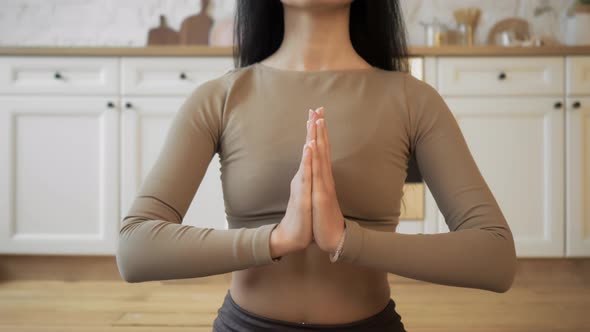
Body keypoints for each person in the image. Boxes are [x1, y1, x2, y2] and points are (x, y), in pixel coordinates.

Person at [115, 0, 518, 331]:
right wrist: (276, 239)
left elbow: (495, 257)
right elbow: (136, 249)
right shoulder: (220, 97)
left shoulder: (413, 99)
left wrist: (347, 239)